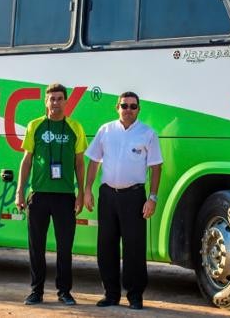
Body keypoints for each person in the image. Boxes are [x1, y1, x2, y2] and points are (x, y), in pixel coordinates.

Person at [83, 91, 162, 310]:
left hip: (134, 197)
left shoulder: (148, 133)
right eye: (124, 105)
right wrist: (88, 189)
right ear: (117, 107)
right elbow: (93, 161)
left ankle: (135, 296)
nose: (128, 110)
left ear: (138, 109)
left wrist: (152, 198)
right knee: (106, 246)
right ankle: (110, 294)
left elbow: (156, 167)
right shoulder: (105, 130)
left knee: (134, 248)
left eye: (133, 106)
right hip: (108, 196)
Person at [15, 83, 87, 306]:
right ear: (46, 102)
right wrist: (20, 191)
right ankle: (36, 292)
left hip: (65, 196)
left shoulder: (75, 127)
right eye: (52, 99)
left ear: (66, 101)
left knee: (65, 248)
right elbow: (26, 160)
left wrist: (81, 193)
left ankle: (64, 292)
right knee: (36, 246)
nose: (55, 102)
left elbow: (79, 163)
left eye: (59, 98)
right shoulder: (34, 126)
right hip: (38, 195)